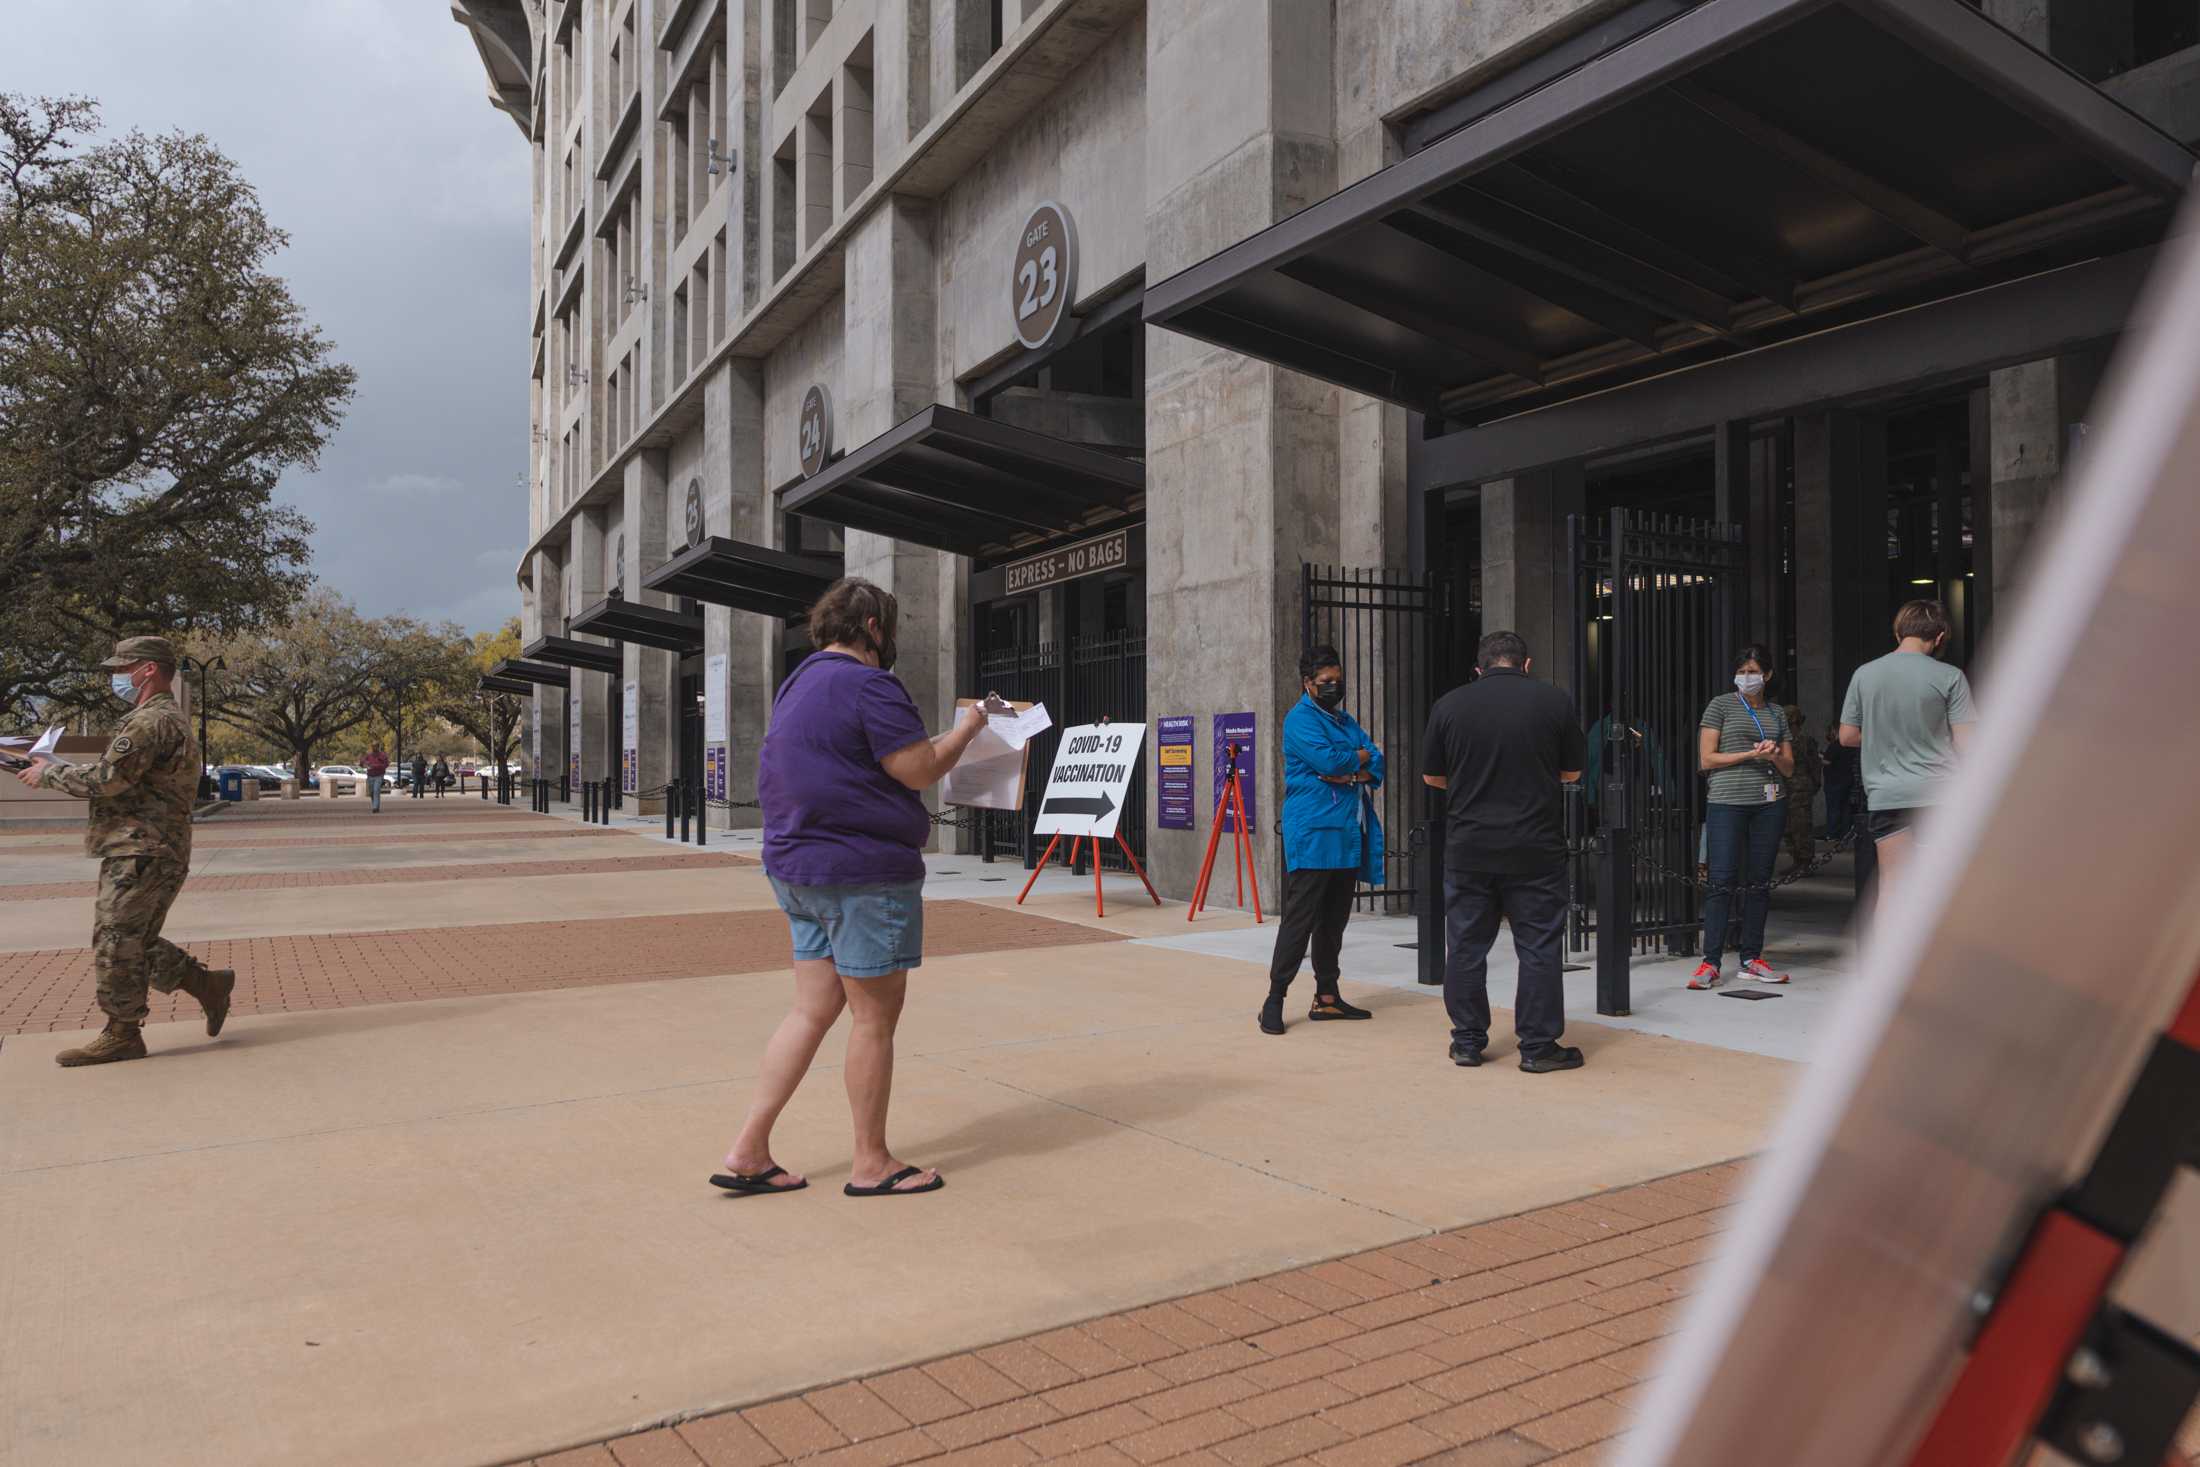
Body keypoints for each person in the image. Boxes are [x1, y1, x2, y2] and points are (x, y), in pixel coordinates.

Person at [714, 578, 987, 1199]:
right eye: (887, 628)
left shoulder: (798, 682)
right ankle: (872, 1163)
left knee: (811, 1009)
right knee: (874, 1019)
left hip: (796, 869)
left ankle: (750, 1147)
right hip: (862, 874)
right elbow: (916, 767)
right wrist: (969, 730)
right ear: (871, 627)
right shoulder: (871, 684)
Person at [11, 637, 236, 1066]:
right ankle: (207, 985)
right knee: (133, 939)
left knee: (116, 940)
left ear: (148, 669)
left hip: (144, 847)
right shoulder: (156, 718)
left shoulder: (150, 723)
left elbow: (109, 779)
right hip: (147, 845)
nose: (117, 677)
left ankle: (123, 1033)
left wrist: (50, 774)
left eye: (123, 668)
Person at [1421, 630, 1587, 1073]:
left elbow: (1432, 778)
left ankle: (1468, 1041)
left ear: (1479, 668)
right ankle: (1537, 1046)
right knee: (1538, 947)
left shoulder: (1450, 705)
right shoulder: (1555, 702)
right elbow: (1572, 772)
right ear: (1526, 664)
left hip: (1469, 846)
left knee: (1466, 947)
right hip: (1535, 847)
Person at [1260, 644, 1384, 1035]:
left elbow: (1376, 758)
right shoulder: (1299, 720)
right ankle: (1274, 999)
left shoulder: (1344, 720)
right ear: (1308, 684)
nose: (1334, 686)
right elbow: (1328, 761)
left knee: (1334, 921)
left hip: (1346, 833)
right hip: (1313, 833)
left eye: (1338, 680)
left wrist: (1353, 767)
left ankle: (1327, 998)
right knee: (1300, 920)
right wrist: (1354, 761)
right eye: (1326, 681)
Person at [1837, 599, 1976, 905]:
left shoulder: (1865, 674)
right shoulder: (1950, 677)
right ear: (1939, 637)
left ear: (1898, 632)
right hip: (1940, 794)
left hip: (1888, 795)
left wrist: (1883, 735)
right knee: (1943, 885)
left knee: (1893, 885)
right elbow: (1967, 743)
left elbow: (1846, 736)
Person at [1689, 646, 1796, 990]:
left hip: (1768, 802)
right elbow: (1707, 759)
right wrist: (1749, 753)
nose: (1747, 677)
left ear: (1766, 675)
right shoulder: (1720, 705)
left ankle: (1752, 957)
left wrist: (1775, 752)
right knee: (1721, 880)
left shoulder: (1777, 713)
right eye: (1742, 671)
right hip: (1727, 801)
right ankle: (1710, 962)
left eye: (1754, 671)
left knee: (1759, 881)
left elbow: (1790, 768)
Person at [1781, 706, 1821, 875]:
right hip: (1786, 788)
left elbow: (1814, 765)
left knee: (1801, 827)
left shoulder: (1805, 740)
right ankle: (1797, 860)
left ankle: (1805, 861)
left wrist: (1814, 784)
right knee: (1788, 828)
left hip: (1800, 789)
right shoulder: (1782, 739)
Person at [363, 744, 390, 813]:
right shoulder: (368, 755)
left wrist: (378, 766)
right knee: (372, 792)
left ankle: (375, 807)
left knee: (376, 790)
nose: (374, 747)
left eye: (376, 746)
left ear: (378, 747)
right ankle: (375, 805)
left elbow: (387, 764)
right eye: (373, 746)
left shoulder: (383, 755)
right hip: (370, 775)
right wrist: (366, 763)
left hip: (379, 775)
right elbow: (362, 762)